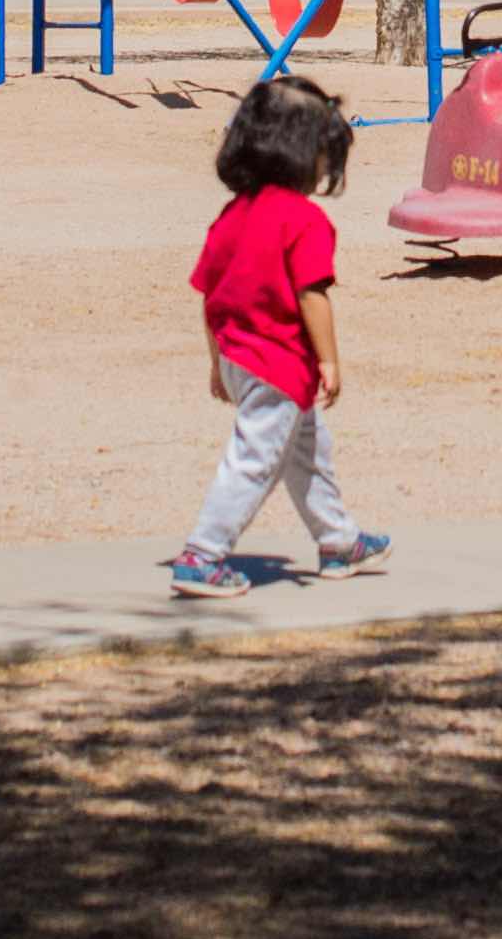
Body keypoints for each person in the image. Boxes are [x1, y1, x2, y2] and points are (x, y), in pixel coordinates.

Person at [169, 73, 395, 596]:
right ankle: (203, 554)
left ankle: (338, 541)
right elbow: (312, 294)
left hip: (238, 354)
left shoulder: (232, 216)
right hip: (278, 364)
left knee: (307, 451)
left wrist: (216, 361)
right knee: (256, 459)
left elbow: (211, 293)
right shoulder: (304, 220)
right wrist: (330, 360)